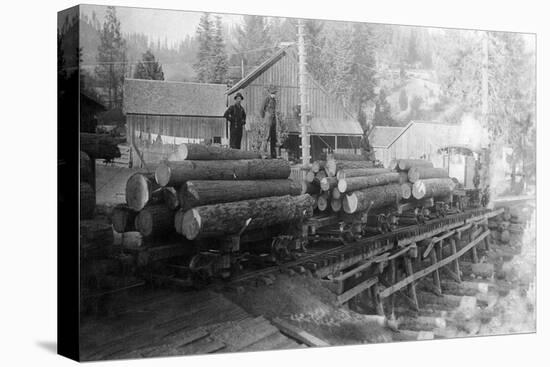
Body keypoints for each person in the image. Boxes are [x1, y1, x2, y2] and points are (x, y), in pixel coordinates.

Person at [260, 87, 278, 158]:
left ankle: (273, 154)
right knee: (266, 136)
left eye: (275, 93)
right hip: (268, 119)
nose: (274, 94)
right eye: (272, 93)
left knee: (273, 137)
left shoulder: (274, 100)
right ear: (270, 93)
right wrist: (264, 118)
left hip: (273, 119)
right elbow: (261, 109)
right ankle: (263, 153)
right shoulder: (266, 99)